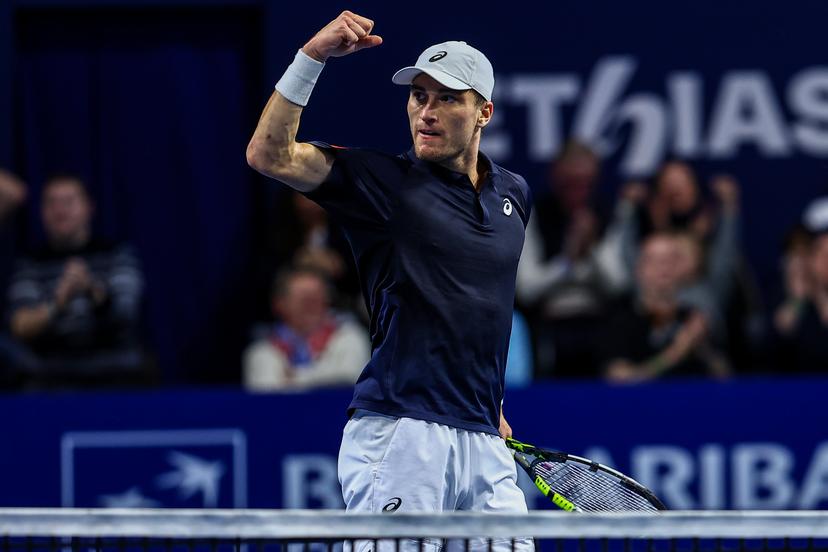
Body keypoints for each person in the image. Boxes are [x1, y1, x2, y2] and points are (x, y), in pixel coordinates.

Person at [246, 10, 532, 549]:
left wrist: (487, 402)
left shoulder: (513, 195)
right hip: (402, 432)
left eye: (447, 99)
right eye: (418, 97)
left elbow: (479, 303)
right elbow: (268, 154)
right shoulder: (381, 183)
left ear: (483, 112)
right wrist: (311, 56)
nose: (427, 112)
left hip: (482, 436)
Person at [4, 174, 145, 388]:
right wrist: (57, 304)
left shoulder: (116, 254)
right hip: (50, 374)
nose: (60, 211)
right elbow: (20, 326)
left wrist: (91, 290)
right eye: (52, 203)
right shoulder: (30, 264)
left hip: (115, 370)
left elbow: (125, 314)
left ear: (89, 207)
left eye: (69, 202)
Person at [602, 233, 730, 383]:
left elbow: (726, 379)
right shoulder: (621, 319)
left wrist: (704, 349)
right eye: (655, 261)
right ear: (639, 269)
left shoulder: (692, 317)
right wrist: (676, 352)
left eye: (671, 260)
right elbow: (621, 381)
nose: (664, 268)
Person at [243, 267, 369, 391]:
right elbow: (268, 395)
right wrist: (325, 377)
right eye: (304, 300)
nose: (311, 307)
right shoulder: (261, 352)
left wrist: (296, 377)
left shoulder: (350, 337)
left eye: (317, 299)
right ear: (279, 304)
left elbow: (350, 378)